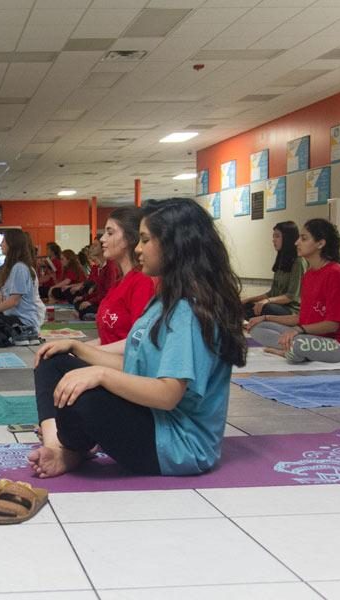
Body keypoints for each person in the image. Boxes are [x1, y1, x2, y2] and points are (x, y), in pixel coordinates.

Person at [27, 198, 247, 478]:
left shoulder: (187, 310)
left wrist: (100, 375)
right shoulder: (163, 301)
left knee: (82, 397)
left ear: (174, 245)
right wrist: (76, 349)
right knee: (53, 362)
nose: (138, 249)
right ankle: (60, 448)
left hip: (177, 445)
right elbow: (137, 365)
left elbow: (168, 395)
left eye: (145, 240)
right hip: (152, 418)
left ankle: (69, 450)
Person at [247, 219, 340, 363]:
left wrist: (297, 330)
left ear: (320, 243)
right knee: (257, 328)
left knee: (298, 344)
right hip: (309, 337)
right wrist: (265, 317)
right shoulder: (309, 274)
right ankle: (291, 349)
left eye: (304, 238)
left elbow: (332, 325)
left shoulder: (336, 273)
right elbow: (302, 318)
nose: (296, 242)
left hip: (338, 343)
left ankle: (290, 350)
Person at [91, 206, 156, 345]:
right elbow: (107, 339)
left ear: (128, 239)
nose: (102, 239)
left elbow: (138, 342)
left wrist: (83, 351)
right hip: (106, 356)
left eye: (110, 233)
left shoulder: (142, 281)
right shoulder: (120, 281)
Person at [0, 228, 45, 332]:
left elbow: (13, 301)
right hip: (15, 318)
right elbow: (4, 293)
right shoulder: (15, 267)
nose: (0, 244)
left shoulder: (20, 267)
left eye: (3, 241)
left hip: (23, 322)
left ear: (12, 244)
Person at [241, 221, 305, 318]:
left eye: (277, 236)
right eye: (273, 236)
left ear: (288, 238)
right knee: (246, 305)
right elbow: (272, 293)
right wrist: (249, 299)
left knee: (266, 308)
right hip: (277, 305)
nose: (273, 240)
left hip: (291, 310)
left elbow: (291, 296)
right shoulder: (281, 260)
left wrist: (267, 301)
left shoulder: (298, 262)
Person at [73, 238, 120, 319]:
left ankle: (98, 314)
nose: (92, 248)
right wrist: (85, 298)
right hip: (100, 300)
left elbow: (108, 293)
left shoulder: (110, 266)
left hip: (108, 303)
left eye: (95, 245)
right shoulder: (102, 267)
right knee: (79, 304)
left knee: (85, 309)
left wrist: (90, 302)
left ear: (102, 249)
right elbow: (99, 291)